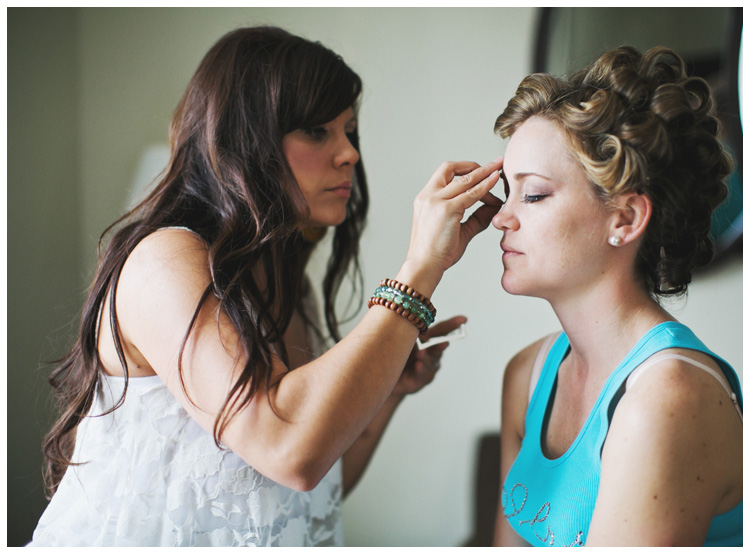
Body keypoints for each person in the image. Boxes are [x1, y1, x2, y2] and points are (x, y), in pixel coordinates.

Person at [30, 26, 503, 547]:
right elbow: (289, 449)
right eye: (318, 131)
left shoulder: (279, 282)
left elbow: (301, 488)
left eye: (349, 131)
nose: (349, 153)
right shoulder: (163, 261)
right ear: (245, 138)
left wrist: (385, 395)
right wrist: (419, 270)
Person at [490, 46, 743, 546]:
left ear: (626, 218)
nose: (501, 217)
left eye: (531, 194)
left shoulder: (666, 398)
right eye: (505, 192)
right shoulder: (527, 377)